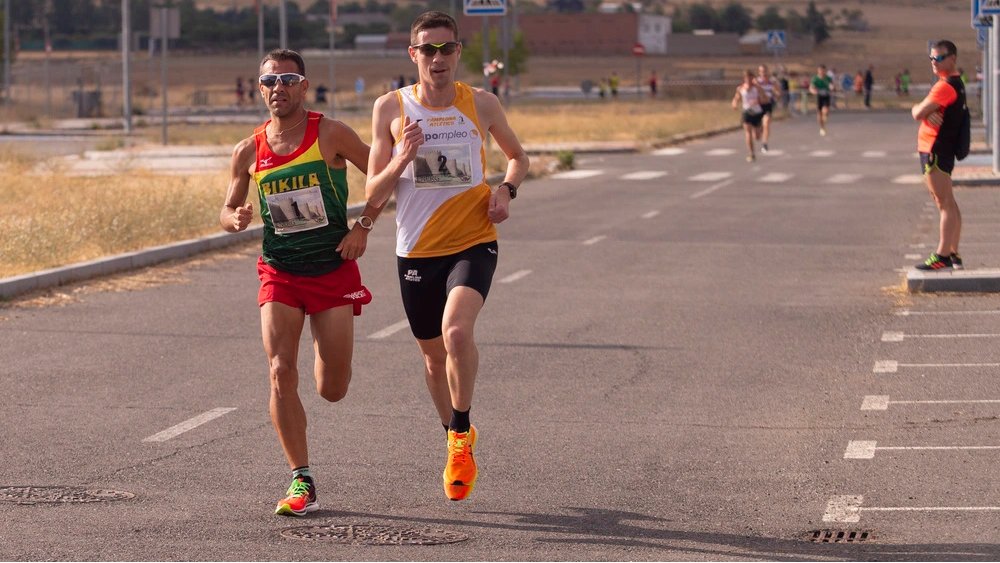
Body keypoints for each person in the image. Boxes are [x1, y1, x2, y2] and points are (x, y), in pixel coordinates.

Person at [366, 11, 529, 502]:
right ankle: (454, 436)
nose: (438, 58)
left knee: (458, 330)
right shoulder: (390, 109)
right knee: (433, 360)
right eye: (427, 50)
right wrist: (400, 155)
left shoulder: (481, 103)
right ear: (412, 55)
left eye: (446, 49)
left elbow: (518, 158)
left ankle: (461, 433)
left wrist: (505, 191)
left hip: (474, 240)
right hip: (416, 248)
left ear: (459, 52)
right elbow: (372, 192)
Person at [220, 48, 385, 516]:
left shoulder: (329, 132)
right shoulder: (248, 150)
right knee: (278, 370)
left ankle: (324, 347)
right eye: (270, 81)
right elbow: (225, 209)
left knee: (333, 387)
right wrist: (234, 217)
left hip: (332, 268)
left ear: (304, 85)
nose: (279, 88)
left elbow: (383, 176)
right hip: (281, 271)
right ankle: (302, 479)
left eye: (288, 79)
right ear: (260, 88)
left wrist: (364, 226)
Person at [912, 40, 966, 271]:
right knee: (948, 202)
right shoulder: (954, 84)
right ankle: (953, 253)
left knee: (944, 203)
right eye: (932, 58)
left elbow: (918, 112)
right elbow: (924, 111)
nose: (934, 62)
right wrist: (925, 111)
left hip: (935, 149)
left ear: (952, 58)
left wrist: (921, 110)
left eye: (939, 58)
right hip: (939, 149)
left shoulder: (944, 86)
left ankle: (943, 255)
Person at [733, 69, 765, 162]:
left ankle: (760, 129)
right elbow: (736, 98)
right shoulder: (740, 88)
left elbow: (764, 99)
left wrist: (757, 101)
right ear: (744, 79)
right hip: (747, 112)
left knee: (757, 136)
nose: (749, 80)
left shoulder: (757, 88)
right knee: (748, 132)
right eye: (747, 78)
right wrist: (734, 104)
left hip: (757, 112)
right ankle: (751, 153)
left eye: (751, 78)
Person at [756, 64, 780, 152]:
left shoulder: (772, 82)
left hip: (768, 105)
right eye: (762, 71)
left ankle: (765, 143)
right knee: (757, 133)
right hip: (758, 106)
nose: (764, 73)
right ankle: (759, 131)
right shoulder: (756, 82)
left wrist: (775, 93)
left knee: (766, 123)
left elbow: (778, 93)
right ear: (759, 72)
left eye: (765, 71)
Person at [809, 64, 833, 136]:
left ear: (825, 71)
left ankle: (824, 120)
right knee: (819, 116)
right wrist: (813, 91)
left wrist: (831, 87)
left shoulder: (828, 78)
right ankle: (822, 127)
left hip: (826, 96)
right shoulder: (815, 79)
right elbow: (811, 87)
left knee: (825, 111)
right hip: (818, 97)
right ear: (818, 71)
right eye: (820, 70)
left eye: (823, 70)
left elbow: (831, 85)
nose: (822, 72)